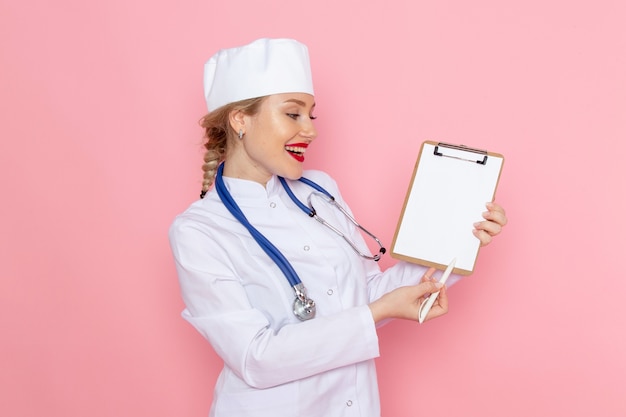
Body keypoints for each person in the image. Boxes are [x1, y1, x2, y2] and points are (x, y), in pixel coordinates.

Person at [169, 38, 507, 417]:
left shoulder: (319, 190)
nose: (310, 131)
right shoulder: (198, 231)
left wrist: (459, 238)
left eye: (311, 116)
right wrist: (375, 313)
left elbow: (366, 292)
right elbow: (255, 357)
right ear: (240, 120)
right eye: (293, 114)